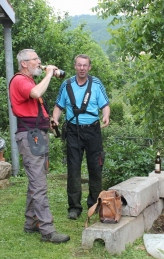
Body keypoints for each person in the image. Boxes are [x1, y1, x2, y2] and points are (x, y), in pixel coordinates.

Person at [9, 48, 70, 244]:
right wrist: (50, 73)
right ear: (24, 63)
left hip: (36, 134)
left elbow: (35, 102)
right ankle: (47, 231)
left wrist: (48, 120)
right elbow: (35, 93)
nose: (39, 62)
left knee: (37, 180)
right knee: (39, 184)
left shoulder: (28, 80)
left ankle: (31, 222)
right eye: (35, 59)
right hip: (30, 136)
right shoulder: (20, 80)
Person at [53, 54, 110, 220]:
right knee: (73, 169)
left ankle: (95, 203)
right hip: (72, 131)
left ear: (89, 67)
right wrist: (55, 119)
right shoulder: (67, 84)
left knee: (96, 167)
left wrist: (106, 116)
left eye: (85, 65)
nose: (82, 68)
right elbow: (58, 106)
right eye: (79, 65)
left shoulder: (96, 84)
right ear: (75, 66)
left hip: (93, 130)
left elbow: (105, 105)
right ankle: (74, 207)